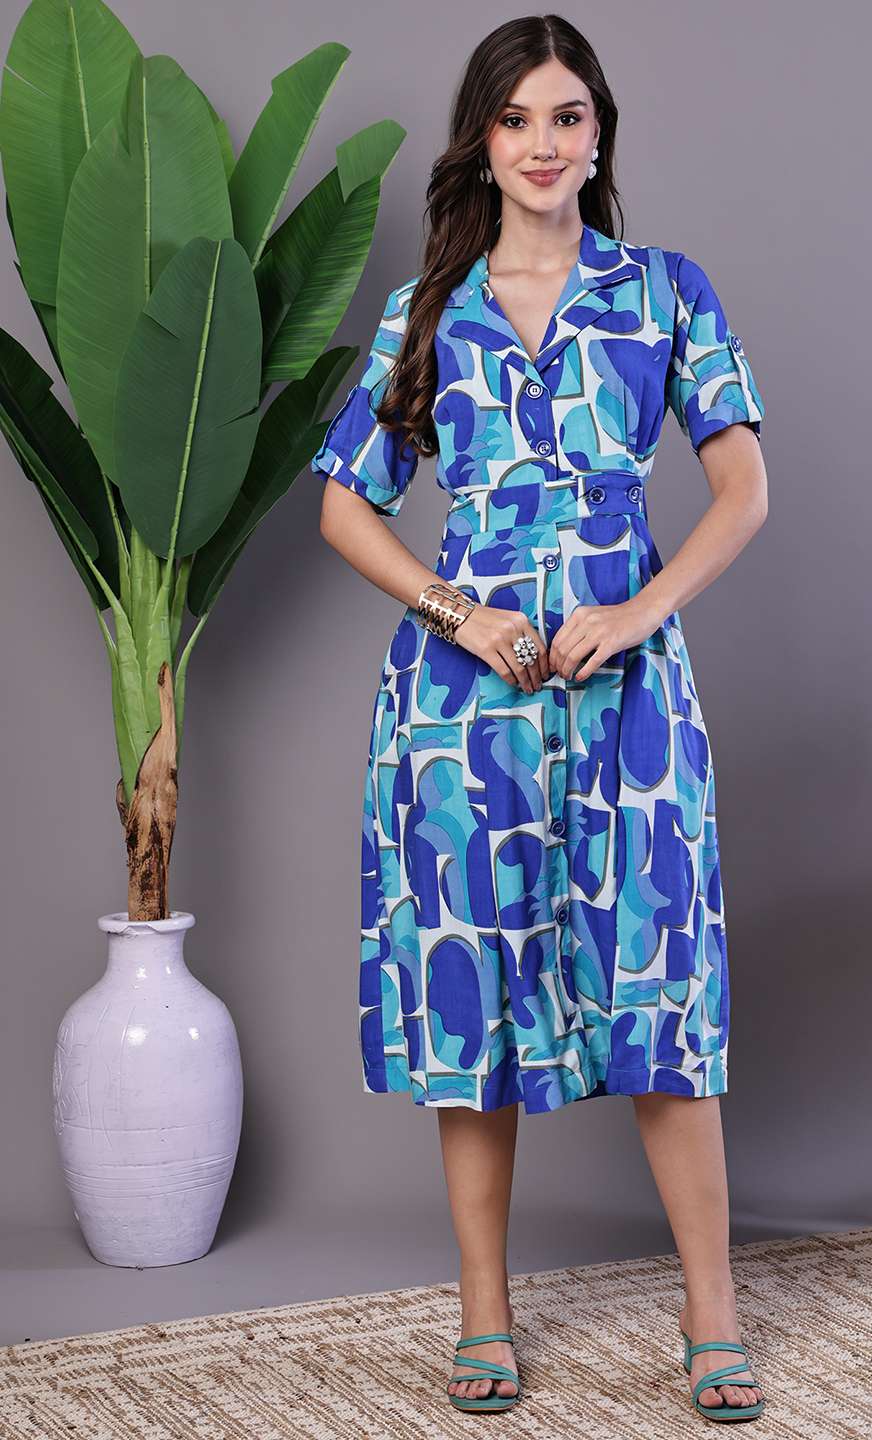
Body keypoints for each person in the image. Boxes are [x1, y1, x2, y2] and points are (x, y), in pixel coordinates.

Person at [312, 12, 768, 1424]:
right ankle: (484, 1316)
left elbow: (743, 490)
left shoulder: (665, 291)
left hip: (631, 704)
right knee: (476, 1001)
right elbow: (345, 507)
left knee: (661, 992)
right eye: (516, 119)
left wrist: (636, 614)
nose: (543, 144)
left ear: (598, 133)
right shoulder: (426, 312)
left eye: (568, 116)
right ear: (484, 140)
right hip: (463, 715)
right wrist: (459, 613)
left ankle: (712, 1313)